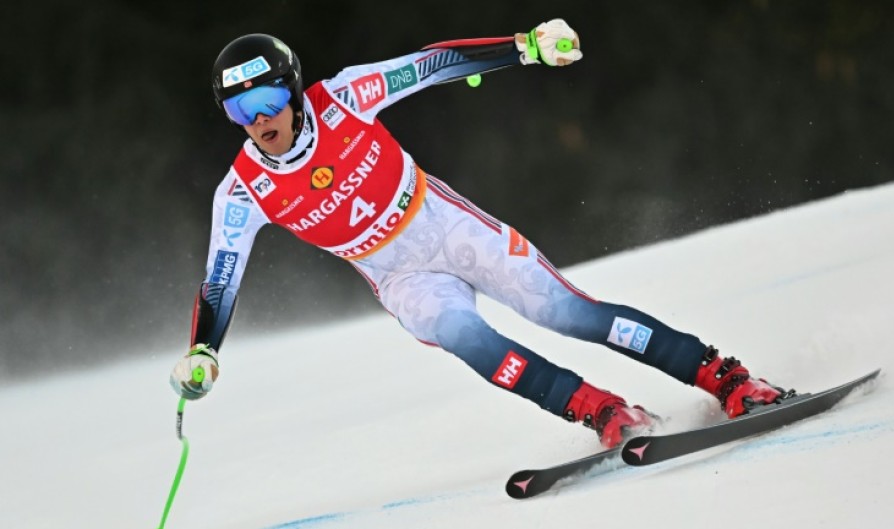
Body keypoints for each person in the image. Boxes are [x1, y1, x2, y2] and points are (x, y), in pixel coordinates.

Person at [170, 19, 792, 449]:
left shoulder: (344, 98)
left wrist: (526, 47)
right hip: (399, 276)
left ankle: (723, 377)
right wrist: (204, 351)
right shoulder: (242, 191)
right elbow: (220, 283)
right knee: (467, 339)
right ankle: (601, 409)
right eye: (239, 112)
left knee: (568, 313)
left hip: (442, 224)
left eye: (269, 99)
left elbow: (436, 64)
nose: (260, 122)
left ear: (295, 89)